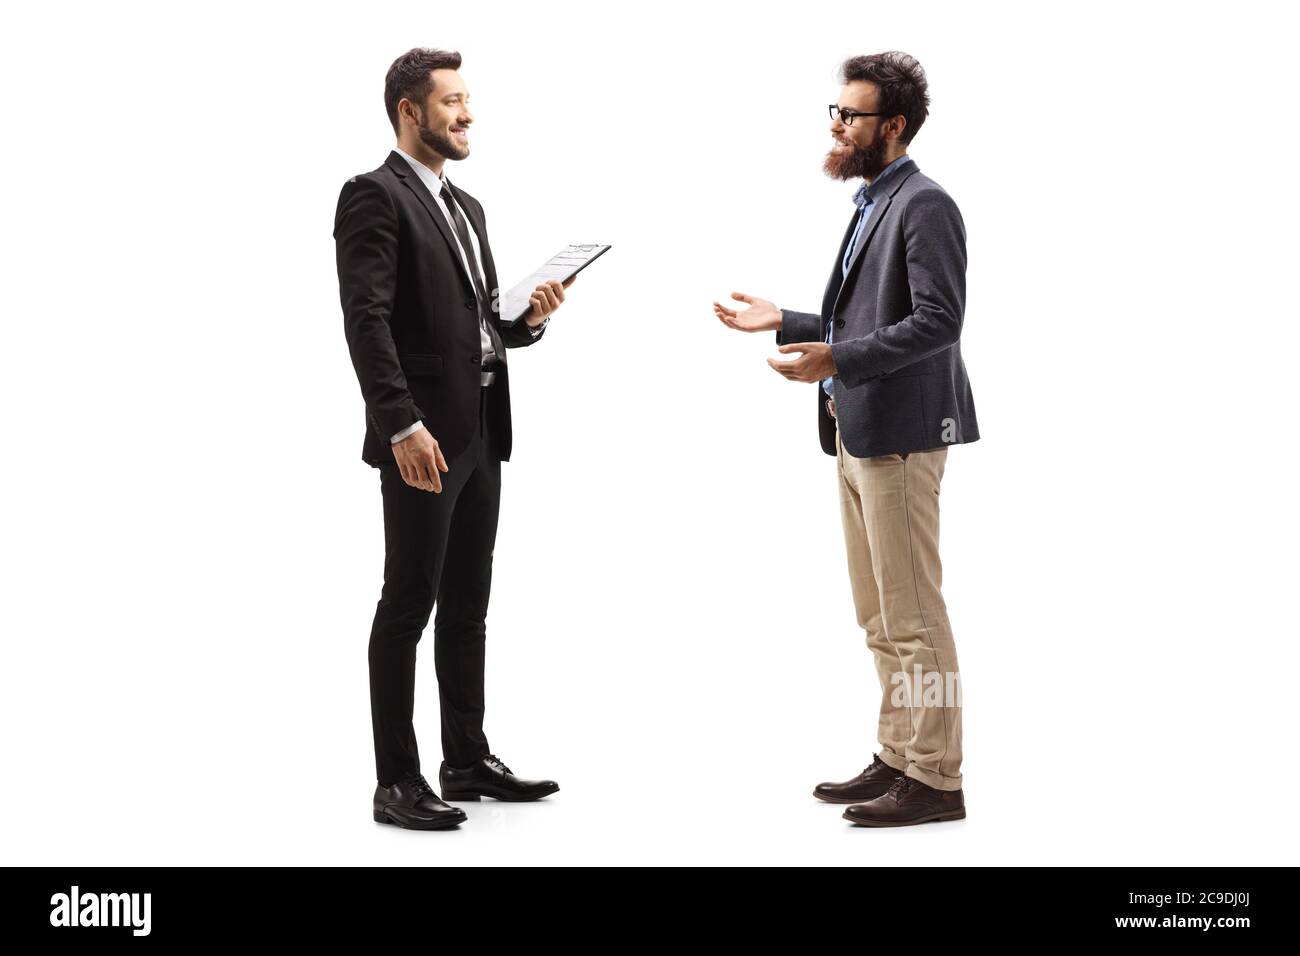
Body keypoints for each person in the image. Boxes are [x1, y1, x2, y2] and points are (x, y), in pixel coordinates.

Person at [714, 51, 978, 827]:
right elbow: (868, 318)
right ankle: (900, 756)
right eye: (834, 112)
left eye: (850, 115)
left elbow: (939, 320)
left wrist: (838, 359)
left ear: (890, 126)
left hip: (899, 435)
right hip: (859, 432)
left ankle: (938, 777)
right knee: (880, 615)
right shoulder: (874, 200)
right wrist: (795, 323)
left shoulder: (926, 204)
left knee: (916, 617)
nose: (836, 124)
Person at [334, 47, 571, 830]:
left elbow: (480, 324)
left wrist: (526, 322)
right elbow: (366, 321)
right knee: (408, 602)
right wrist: (400, 423)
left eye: (468, 101)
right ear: (411, 111)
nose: (467, 114)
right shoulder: (373, 196)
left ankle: (464, 759)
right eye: (452, 102)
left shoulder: (467, 209)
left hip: (482, 429)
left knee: (468, 604)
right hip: (423, 436)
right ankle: (395, 781)